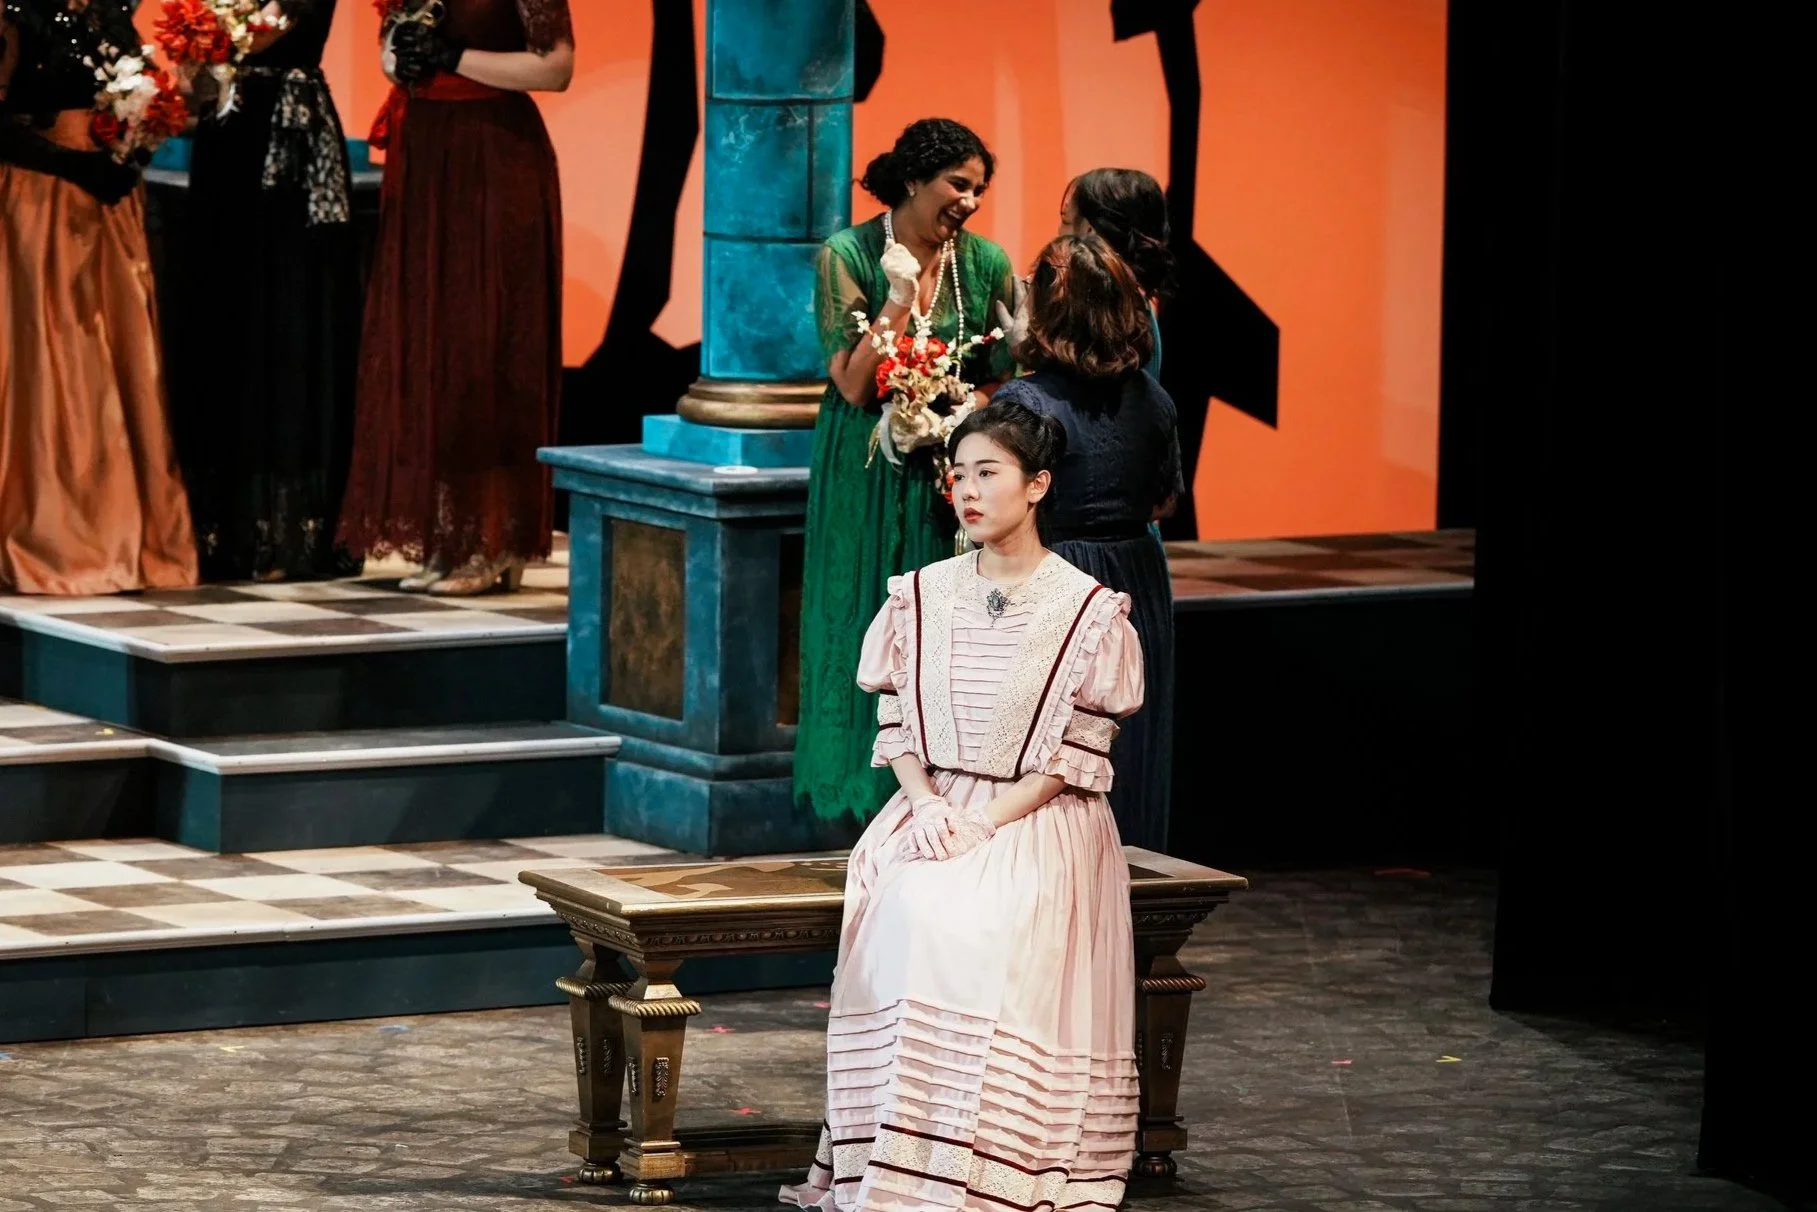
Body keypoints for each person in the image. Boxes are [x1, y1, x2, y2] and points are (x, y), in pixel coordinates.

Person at [781, 401, 1142, 1212]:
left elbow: (1073, 756)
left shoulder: (1085, 609)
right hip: (931, 806)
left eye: (989, 473)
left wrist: (985, 820)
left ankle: (983, 1164)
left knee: (966, 921)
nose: (968, 492)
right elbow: (897, 722)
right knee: (911, 902)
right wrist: (926, 803)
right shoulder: (920, 593)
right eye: (959, 475)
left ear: (1037, 484)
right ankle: (901, 1160)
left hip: (1037, 820)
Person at [795, 117, 1018, 827]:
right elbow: (855, 385)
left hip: (948, 479)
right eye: (958, 183)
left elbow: (1004, 379)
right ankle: (861, 803)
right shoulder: (847, 254)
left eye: (979, 188)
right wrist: (893, 302)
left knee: (942, 635)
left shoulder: (983, 263)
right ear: (914, 179)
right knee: (863, 618)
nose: (970, 201)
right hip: (866, 465)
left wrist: (957, 414)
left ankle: (947, 798)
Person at [336, 0, 573, 595]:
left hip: (492, 155)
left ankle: (494, 539)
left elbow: (556, 67)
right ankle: (450, 537)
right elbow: (394, 62)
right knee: (430, 344)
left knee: (484, 345)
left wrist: (455, 56)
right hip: (426, 157)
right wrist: (408, 60)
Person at [0, 0, 199, 596]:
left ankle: (129, 532)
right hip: (41, 202)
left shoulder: (112, 12)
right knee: (55, 360)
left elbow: (143, 99)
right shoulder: (16, 12)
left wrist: (133, 152)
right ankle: (59, 532)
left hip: (110, 205)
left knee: (123, 364)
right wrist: (71, 164)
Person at [991, 235, 1181, 853]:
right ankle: (1135, 915)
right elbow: (1163, 501)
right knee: (1130, 748)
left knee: (1053, 756)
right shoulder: (1154, 400)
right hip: (1135, 579)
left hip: (1058, 583)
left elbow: (996, 512)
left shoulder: (1025, 401)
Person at [170, 0, 361, 582]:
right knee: (223, 318)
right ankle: (226, 527)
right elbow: (198, 87)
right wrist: (189, 71)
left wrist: (207, 39)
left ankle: (287, 530)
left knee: (284, 320)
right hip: (227, 143)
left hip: (289, 142)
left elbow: (260, 35)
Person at [1059, 166, 1173, 378]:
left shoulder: (1103, 314)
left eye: (1065, 221)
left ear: (1090, 232)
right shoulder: (1137, 308)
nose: (1057, 232)